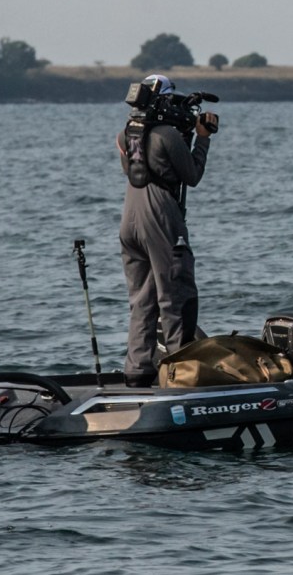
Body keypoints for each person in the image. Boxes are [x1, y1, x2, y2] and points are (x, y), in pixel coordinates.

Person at [117, 74, 218, 387]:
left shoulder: (126, 133)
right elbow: (192, 176)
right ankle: (181, 371)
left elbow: (133, 168)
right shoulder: (166, 135)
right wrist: (203, 137)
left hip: (130, 214)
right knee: (175, 290)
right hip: (159, 213)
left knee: (142, 297)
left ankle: (137, 370)